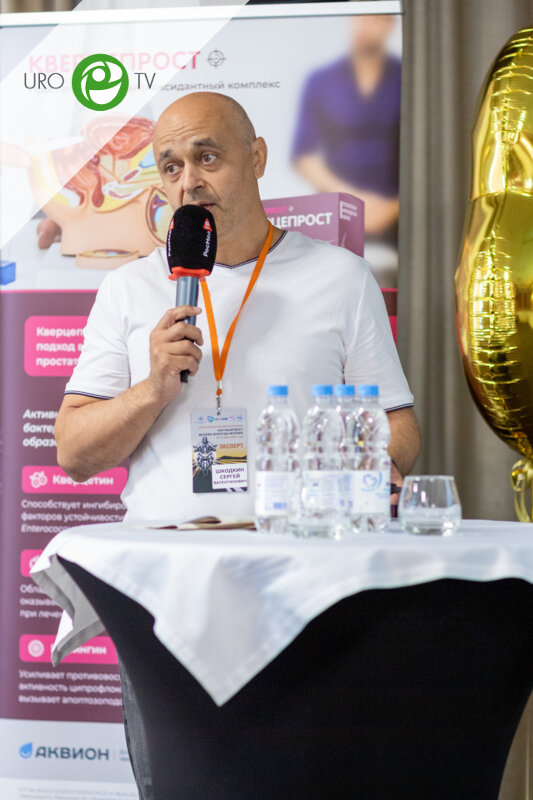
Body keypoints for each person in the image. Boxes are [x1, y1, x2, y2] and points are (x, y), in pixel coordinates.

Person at [54, 91, 420, 798]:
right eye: (170, 166)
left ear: (256, 158)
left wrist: (371, 467)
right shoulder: (129, 288)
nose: (188, 181)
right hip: (167, 590)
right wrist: (152, 387)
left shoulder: (338, 276)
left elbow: (398, 424)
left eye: (207, 157)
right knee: (177, 785)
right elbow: (73, 451)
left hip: (306, 580)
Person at [292, 14, 401, 242]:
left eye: (372, 19)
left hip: (397, 216)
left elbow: (427, 154)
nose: (363, 26)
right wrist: (353, 201)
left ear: (389, 24)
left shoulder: (408, 78)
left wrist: (393, 207)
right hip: (335, 209)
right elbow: (304, 155)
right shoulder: (321, 80)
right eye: (358, 18)